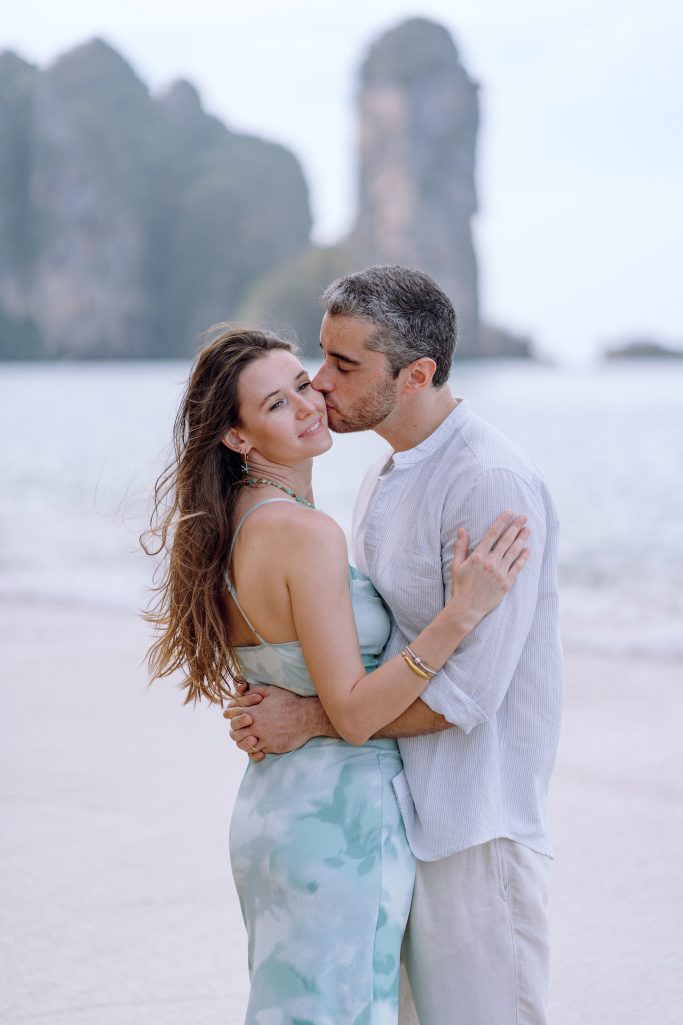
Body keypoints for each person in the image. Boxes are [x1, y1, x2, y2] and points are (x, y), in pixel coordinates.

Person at [142, 325, 530, 1025]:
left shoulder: (236, 523)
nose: (309, 403)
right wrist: (459, 614)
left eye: (302, 382)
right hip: (340, 822)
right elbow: (352, 713)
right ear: (237, 437)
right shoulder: (303, 533)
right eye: (277, 404)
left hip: (276, 814)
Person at [226, 266, 563, 1025]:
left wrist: (310, 718)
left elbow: (467, 697)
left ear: (415, 375)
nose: (319, 382)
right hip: (396, 819)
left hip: (474, 826)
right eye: (322, 355)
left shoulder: (488, 481)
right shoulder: (382, 473)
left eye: (344, 365)